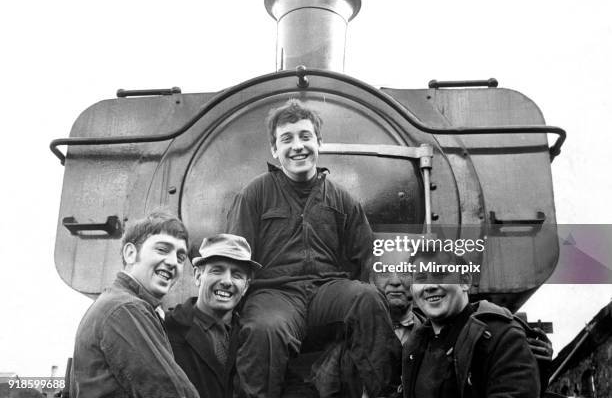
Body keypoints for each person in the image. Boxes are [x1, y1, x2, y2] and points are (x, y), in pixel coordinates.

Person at [226, 99, 401, 398]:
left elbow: (366, 256)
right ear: (274, 149)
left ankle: (388, 392)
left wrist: (356, 290)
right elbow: (237, 255)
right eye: (287, 139)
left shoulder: (342, 199)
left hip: (326, 290)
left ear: (319, 142)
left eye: (305, 137)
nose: (298, 146)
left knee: (367, 299)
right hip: (275, 294)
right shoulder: (255, 194)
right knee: (265, 329)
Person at [70, 211, 199, 398]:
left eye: (180, 257)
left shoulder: (115, 303)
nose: (173, 262)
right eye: (162, 250)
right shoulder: (125, 309)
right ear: (130, 253)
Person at [402, 249, 541, 398]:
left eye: (440, 274)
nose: (429, 286)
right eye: (421, 278)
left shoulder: (503, 337)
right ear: (412, 289)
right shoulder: (413, 345)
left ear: (465, 281)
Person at [165, 234, 262, 398]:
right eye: (217, 270)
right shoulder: (166, 328)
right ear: (198, 276)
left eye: (237, 275)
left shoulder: (253, 336)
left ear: (245, 287)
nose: (227, 281)